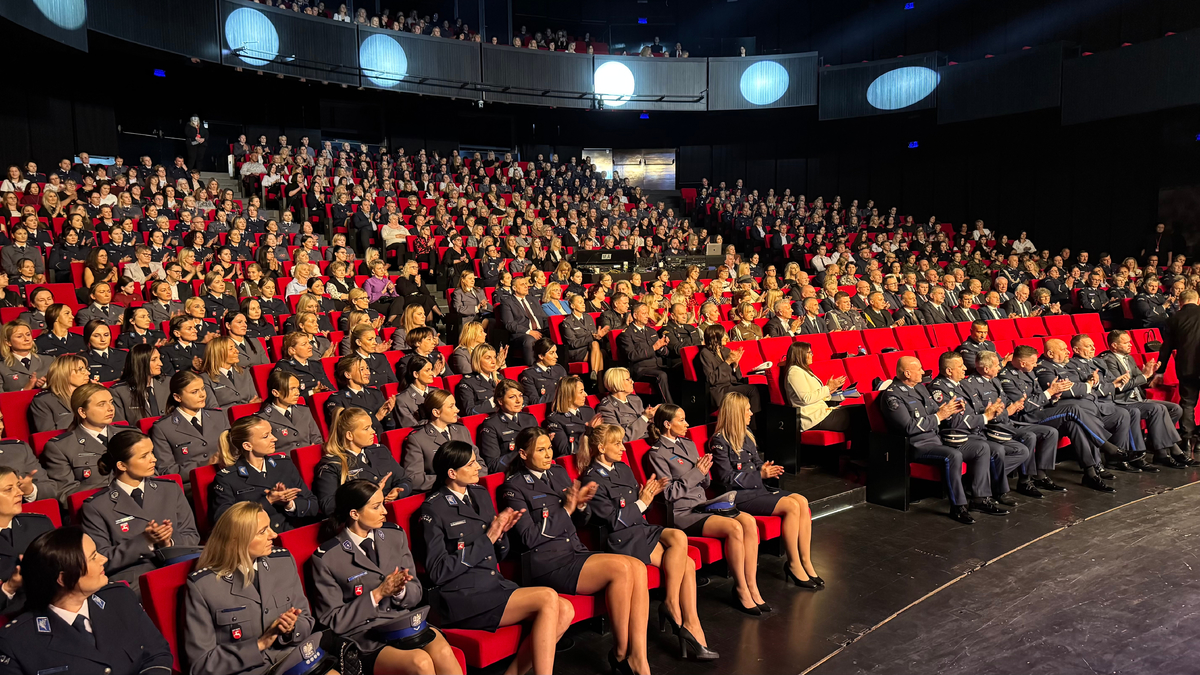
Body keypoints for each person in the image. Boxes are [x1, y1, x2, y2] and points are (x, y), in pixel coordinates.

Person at [499, 427, 652, 675]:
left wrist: (581, 506)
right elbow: (529, 538)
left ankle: (639, 658)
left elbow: (581, 521)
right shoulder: (513, 487)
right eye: (540, 450)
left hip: (574, 550)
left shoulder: (558, 472)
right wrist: (567, 510)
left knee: (637, 567)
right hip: (548, 562)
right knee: (623, 567)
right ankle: (621, 653)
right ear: (523, 454)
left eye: (549, 448)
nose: (548, 454)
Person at [416, 442, 573, 675]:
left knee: (566, 609)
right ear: (452, 473)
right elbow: (438, 571)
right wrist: (487, 539)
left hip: (493, 584)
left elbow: (498, 552)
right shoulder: (433, 509)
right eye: (471, 464)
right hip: (464, 597)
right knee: (548, 597)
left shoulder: (479, 493)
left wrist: (501, 534)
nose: (478, 467)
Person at [576, 423, 717, 660]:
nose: (623, 448)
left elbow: (641, 504)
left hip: (640, 529)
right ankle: (691, 626)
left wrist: (648, 497)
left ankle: (672, 604)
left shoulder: (623, 468)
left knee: (679, 536)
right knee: (688, 564)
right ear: (600, 447)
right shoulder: (591, 479)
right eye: (617, 443)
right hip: (622, 538)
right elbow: (614, 521)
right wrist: (642, 501)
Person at [309, 480, 463, 675]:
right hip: (366, 634)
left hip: (403, 623)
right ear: (354, 513)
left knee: (444, 652)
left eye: (383, 504)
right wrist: (378, 594)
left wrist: (401, 591)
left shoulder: (394, 535)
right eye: (376, 507)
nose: (384, 511)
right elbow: (333, 620)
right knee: (420, 662)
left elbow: (416, 592)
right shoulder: (327, 558)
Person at [0, 526, 174, 675]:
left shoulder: (120, 599)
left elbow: (157, 654)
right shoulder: (15, 642)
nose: (104, 559)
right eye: (93, 557)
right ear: (64, 578)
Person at [645, 404, 767, 616]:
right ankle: (740, 589)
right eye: (681, 420)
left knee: (748, 521)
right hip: (683, 512)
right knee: (734, 528)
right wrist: (697, 473)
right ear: (667, 424)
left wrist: (704, 473)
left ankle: (752, 585)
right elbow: (669, 494)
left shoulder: (689, 444)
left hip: (701, 504)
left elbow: (705, 483)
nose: (687, 424)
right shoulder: (657, 454)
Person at [184, 502, 329, 675]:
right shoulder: (203, 586)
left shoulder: (282, 562)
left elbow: (306, 620)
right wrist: (260, 644)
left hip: (291, 661)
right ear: (237, 540)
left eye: (269, 527)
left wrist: (290, 630)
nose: (273, 535)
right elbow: (201, 665)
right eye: (262, 531)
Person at [709, 392, 822, 588]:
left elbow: (756, 462)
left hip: (758, 489)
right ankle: (793, 564)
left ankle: (806, 561)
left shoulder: (746, 434)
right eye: (747, 410)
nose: (751, 413)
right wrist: (760, 475)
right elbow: (726, 478)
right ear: (736, 413)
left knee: (802, 501)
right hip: (740, 496)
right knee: (792, 506)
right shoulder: (719, 441)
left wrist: (766, 469)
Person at [879, 356, 1004, 523]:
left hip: (937, 439)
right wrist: (939, 416)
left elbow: (935, 410)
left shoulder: (919, 388)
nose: (923, 372)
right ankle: (958, 507)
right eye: (919, 369)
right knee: (953, 455)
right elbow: (908, 427)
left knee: (981, 448)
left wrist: (951, 409)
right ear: (907, 373)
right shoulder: (892, 396)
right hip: (917, 445)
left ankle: (980, 499)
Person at [79, 428, 200, 591]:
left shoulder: (170, 489)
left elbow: (191, 536)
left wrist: (167, 543)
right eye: (144, 456)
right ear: (122, 465)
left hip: (179, 568)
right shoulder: (96, 506)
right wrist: (145, 542)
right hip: (136, 580)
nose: (154, 459)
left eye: (152, 452)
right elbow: (101, 560)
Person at [211, 416, 319, 533]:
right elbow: (223, 523)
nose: (274, 439)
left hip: (292, 533)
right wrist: (268, 501)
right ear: (247, 446)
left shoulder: (284, 465)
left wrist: (289, 504)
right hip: (258, 539)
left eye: (271, 433)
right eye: (266, 436)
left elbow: (313, 505)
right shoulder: (228, 478)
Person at [314, 407, 410, 515]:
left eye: (371, 427)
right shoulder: (332, 464)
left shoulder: (381, 451)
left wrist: (399, 491)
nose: (373, 431)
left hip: (389, 513)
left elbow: (405, 480)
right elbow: (328, 505)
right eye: (366, 428)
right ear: (349, 435)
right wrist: (370, 495)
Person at [42, 383, 117, 506]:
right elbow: (65, 494)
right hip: (96, 507)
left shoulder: (130, 434)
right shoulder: (60, 447)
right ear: (82, 412)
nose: (110, 408)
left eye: (111, 402)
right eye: (101, 404)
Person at [401, 389, 488, 493]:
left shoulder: (461, 430)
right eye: (451, 406)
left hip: (470, 489)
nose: (457, 410)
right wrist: (451, 479)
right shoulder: (418, 439)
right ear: (436, 412)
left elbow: (480, 465)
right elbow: (414, 478)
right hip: (441, 493)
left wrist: (468, 478)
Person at [149, 370, 232, 477]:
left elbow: (233, 450)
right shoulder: (163, 428)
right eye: (194, 392)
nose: (202, 395)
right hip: (192, 482)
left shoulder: (219, 416)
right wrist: (205, 465)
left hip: (226, 477)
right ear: (177, 397)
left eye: (203, 389)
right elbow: (167, 470)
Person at [0, 465, 56, 615]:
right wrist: (9, 588)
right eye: (9, 489)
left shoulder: (40, 524)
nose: (20, 493)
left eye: (18, 486)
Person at [1155, 289, 1200, 454]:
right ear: (1198, 300)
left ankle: (1187, 439)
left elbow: (1166, 347)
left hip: (1186, 367)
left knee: (1187, 403)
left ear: (1180, 303)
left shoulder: (1174, 318)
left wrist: (1160, 371)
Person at [618, 302, 674, 405]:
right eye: (644, 313)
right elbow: (631, 355)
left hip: (658, 365)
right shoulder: (626, 334)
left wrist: (662, 347)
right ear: (635, 315)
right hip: (641, 369)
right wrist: (654, 348)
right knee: (661, 375)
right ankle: (670, 407)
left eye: (647, 313)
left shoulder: (651, 331)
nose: (647, 316)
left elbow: (665, 353)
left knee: (677, 370)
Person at [476, 379, 538, 473]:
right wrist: (523, 453)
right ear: (500, 401)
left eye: (520, 396)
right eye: (512, 397)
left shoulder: (530, 419)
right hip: (514, 473)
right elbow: (493, 465)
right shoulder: (491, 425)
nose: (518, 401)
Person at [256, 370, 323, 455]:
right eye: (292, 389)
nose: (297, 393)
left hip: (309, 457)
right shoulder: (262, 418)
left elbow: (317, 439)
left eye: (297, 388)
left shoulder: (304, 411)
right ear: (276, 393)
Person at [697, 324, 760, 412]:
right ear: (716, 338)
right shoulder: (705, 354)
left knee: (762, 388)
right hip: (720, 389)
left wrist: (735, 365)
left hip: (732, 385)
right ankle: (750, 419)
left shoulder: (726, 350)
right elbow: (711, 379)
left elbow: (739, 377)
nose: (727, 338)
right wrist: (727, 362)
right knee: (752, 390)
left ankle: (753, 418)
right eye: (724, 335)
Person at [110, 344, 173, 422]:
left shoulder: (168, 383)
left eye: (159, 359)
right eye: (154, 360)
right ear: (140, 362)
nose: (160, 363)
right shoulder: (119, 392)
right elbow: (119, 425)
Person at [497, 276, 550, 365]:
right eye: (522, 284)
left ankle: (557, 368)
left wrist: (549, 329)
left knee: (556, 334)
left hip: (541, 331)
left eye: (526, 284)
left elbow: (544, 318)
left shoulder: (533, 299)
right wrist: (529, 332)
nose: (526, 286)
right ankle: (532, 369)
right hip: (522, 334)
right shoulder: (507, 302)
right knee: (529, 340)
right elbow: (509, 324)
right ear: (514, 288)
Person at [597, 367, 657, 442]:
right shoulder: (607, 408)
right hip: (633, 445)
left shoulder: (635, 399)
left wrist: (652, 417)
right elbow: (620, 438)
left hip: (651, 439)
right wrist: (645, 417)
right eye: (628, 379)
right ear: (617, 382)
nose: (632, 382)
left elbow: (646, 424)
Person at [273, 332, 334, 397]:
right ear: (292, 350)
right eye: (304, 344)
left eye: (309, 343)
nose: (310, 346)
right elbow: (285, 395)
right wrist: (312, 392)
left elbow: (330, 388)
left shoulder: (316, 365)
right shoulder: (285, 366)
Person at [455, 343, 503, 416]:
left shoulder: (499, 377)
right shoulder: (468, 382)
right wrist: (495, 400)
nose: (493, 361)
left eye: (494, 357)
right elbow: (469, 411)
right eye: (488, 358)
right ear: (477, 360)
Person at [0, 321, 49, 391]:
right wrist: (26, 389)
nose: (27, 339)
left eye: (28, 335)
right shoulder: (2, 368)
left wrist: (45, 385)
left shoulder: (49, 360)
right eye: (19, 336)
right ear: (8, 342)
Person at [519, 338, 568, 405]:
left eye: (555, 352)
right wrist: (559, 393)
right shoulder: (529, 374)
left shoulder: (559, 369)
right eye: (552, 353)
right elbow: (534, 401)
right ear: (541, 356)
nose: (556, 356)